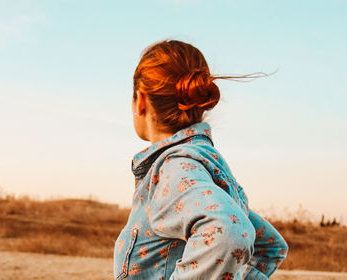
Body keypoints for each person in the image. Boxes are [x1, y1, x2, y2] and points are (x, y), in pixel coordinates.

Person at [113, 40, 288, 280]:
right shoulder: (206, 167)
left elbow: (230, 233)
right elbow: (269, 247)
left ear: (140, 100)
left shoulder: (174, 168)